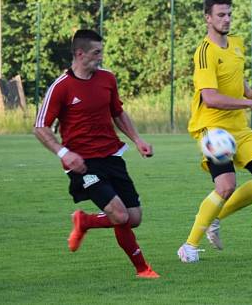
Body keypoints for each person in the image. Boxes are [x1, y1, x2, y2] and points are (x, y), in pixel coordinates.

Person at [34, 29, 159, 278]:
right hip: (82, 164)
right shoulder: (61, 87)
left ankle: (86, 221)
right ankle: (143, 269)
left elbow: (118, 113)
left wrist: (137, 139)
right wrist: (63, 153)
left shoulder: (107, 79)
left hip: (112, 156)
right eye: (96, 53)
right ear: (80, 54)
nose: (100, 57)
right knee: (120, 214)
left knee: (134, 217)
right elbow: (40, 127)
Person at [177, 0, 252, 263]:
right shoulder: (204, 52)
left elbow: (236, 76)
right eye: (221, 15)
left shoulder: (236, 43)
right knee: (225, 186)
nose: (226, 19)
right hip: (213, 130)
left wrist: (250, 91)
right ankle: (189, 246)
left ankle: (215, 217)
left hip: (240, 128)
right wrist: (249, 103)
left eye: (229, 14)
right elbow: (210, 98)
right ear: (207, 18)